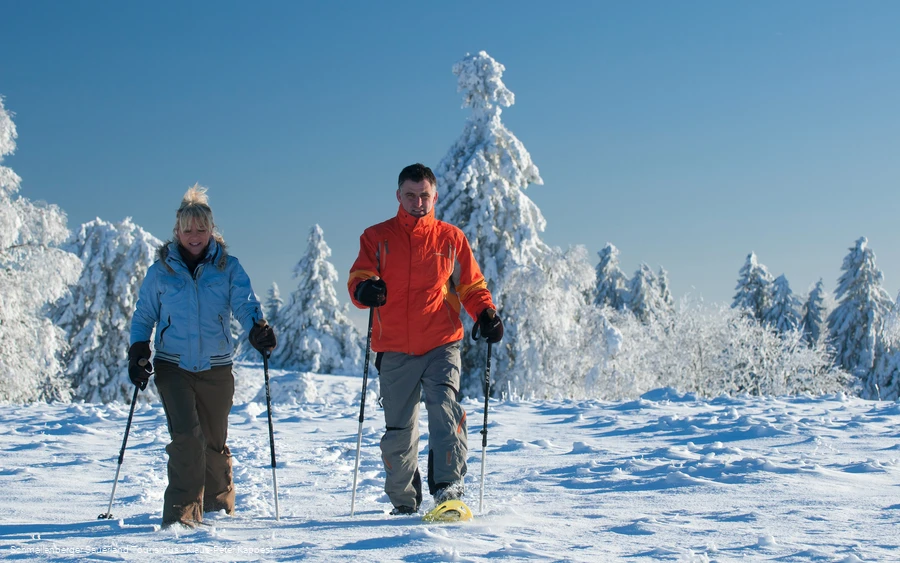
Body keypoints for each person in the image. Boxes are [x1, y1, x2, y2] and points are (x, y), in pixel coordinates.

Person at [348, 163, 504, 515]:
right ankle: (404, 502)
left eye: (424, 196)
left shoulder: (451, 238)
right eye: (410, 196)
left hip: (441, 343)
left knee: (446, 413)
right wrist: (365, 289)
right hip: (395, 348)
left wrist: (486, 313)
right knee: (399, 432)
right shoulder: (376, 237)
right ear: (398, 196)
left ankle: (449, 492)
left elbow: (472, 285)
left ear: (434, 196)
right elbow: (359, 276)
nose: (418, 202)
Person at [129, 184, 277, 528]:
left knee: (213, 442)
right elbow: (143, 316)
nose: (194, 236)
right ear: (177, 232)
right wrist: (139, 349)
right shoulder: (160, 272)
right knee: (186, 441)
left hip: (216, 368)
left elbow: (245, 304)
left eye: (201, 229)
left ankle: (217, 509)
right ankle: (181, 516)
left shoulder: (228, 267)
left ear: (211, 231)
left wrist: (257, 329)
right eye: (187, 230)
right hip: (173, 366)